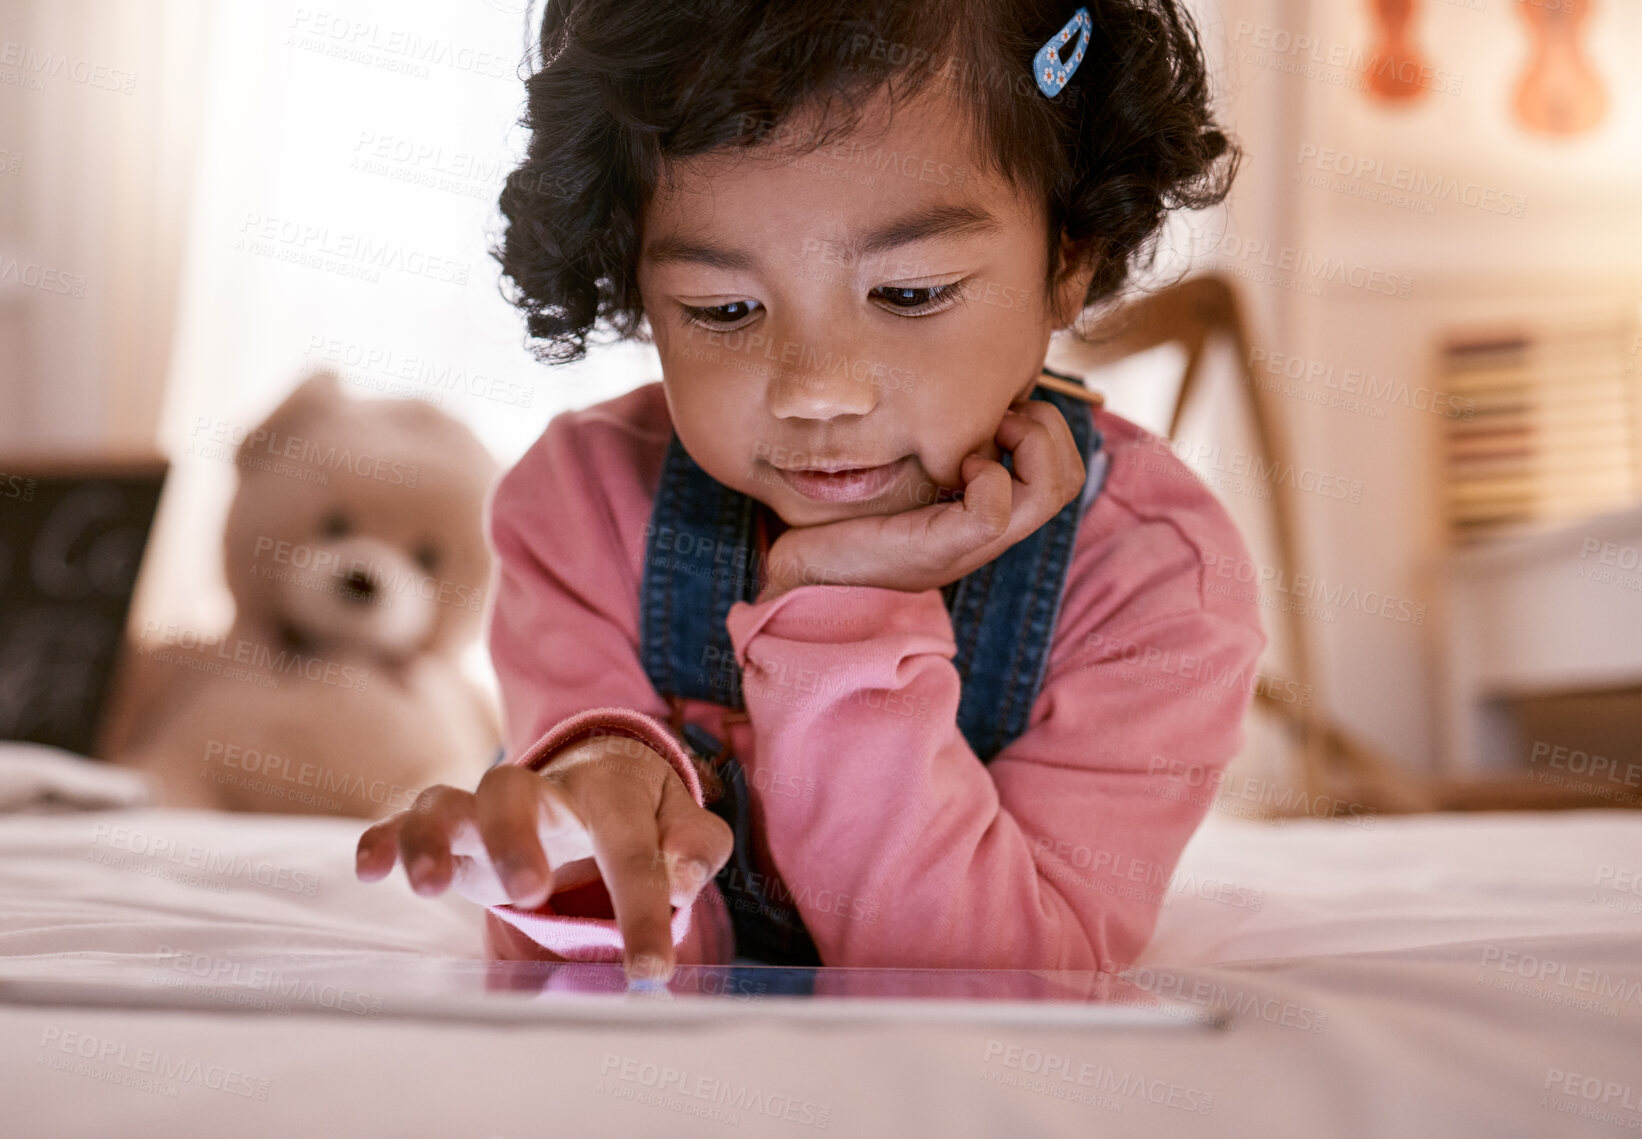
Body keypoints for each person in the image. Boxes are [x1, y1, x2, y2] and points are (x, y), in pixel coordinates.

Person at [356, 0, 1267, 983]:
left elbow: (996, 984)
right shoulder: (579, 506)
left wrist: (844, 600)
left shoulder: (1154, 577)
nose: (815, 390)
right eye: (722, 309)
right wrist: (577, 860)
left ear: (1065, 257)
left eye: (909, 292)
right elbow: (648, 967)